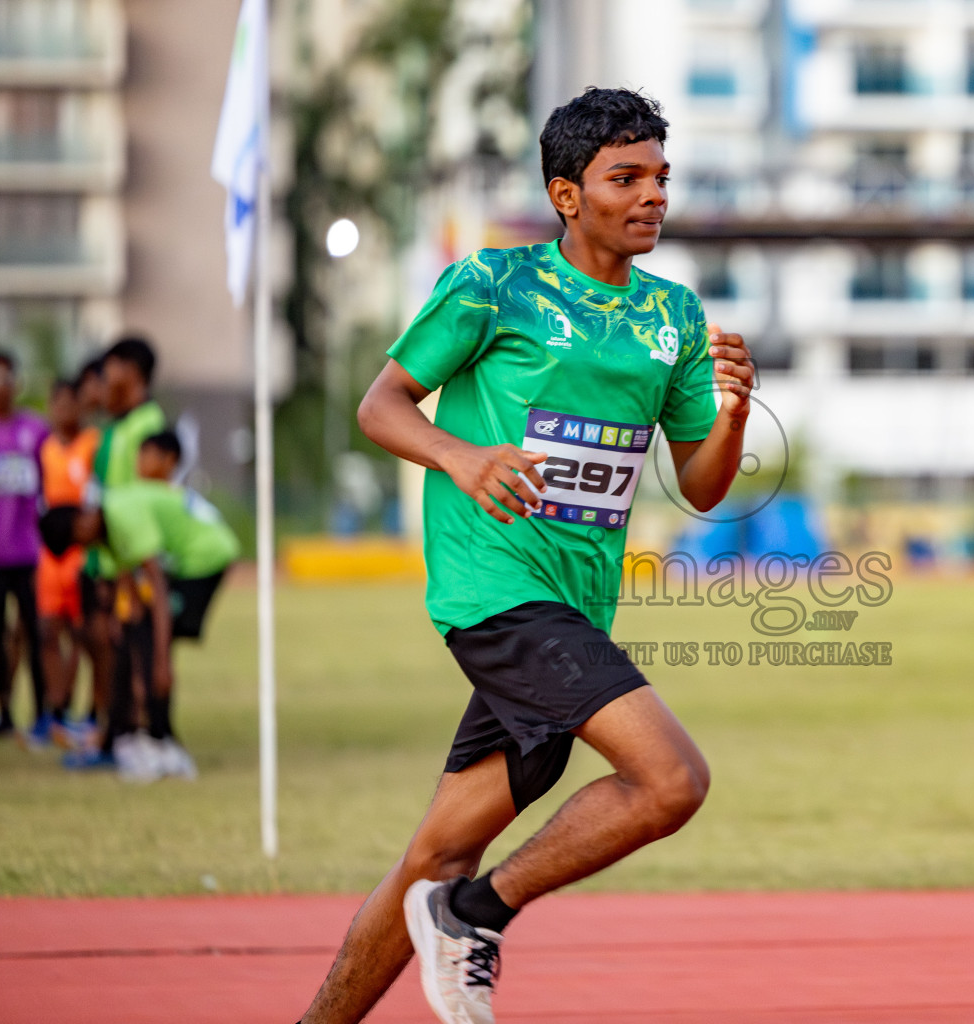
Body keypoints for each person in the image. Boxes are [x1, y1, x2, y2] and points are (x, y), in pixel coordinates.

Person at [299, 87, 755, 1024]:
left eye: (660, 178)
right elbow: (380, 406)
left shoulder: (670, 315)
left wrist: (737, 413)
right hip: (498, 593)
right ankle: (475, 917)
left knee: (433, 854)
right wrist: (462, 458)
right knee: (671, 779)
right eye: (624, 177)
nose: (651, 196)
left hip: (576, 610)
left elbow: (702, 486)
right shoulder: (491, 285)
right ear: (566, 193)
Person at [39, 432, 239, 782]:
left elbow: (156, 586)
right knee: (133, 634)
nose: (84, 544)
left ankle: (161, 744)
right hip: (188, 558)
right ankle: (133, 736)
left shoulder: (120, 515)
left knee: (148, 639)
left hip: (205, 557)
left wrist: (161, 661)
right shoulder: (105, 530)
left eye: (79, 536)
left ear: (83, 520)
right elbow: (128, 584)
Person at [65, 336, 165, 772]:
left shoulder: (147, 424)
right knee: (106, 644)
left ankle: (135, 736)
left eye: (112, 369)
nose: (106, 379)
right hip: (106, 556)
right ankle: (112, 733)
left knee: (131, 648)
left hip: (130, 556)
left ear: (133, 371)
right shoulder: (115, 426)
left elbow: (142, 497)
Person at [0, 351, 51, 745]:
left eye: (7, 376)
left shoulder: (36, 431)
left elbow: (49, 492)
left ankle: (43, 713)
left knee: (35, 632)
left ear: (16, 383)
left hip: (30, 553)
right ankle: (3, 711)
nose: (0, 385)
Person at [36, 378, 102, 749]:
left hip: (81, 550)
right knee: (48, 630)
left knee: (84, 634)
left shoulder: (92, 444)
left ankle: (88, 711)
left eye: (69, 403)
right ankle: (55, 711)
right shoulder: (44, 448)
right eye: (56, 403)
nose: (63, 410)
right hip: (51, 552)